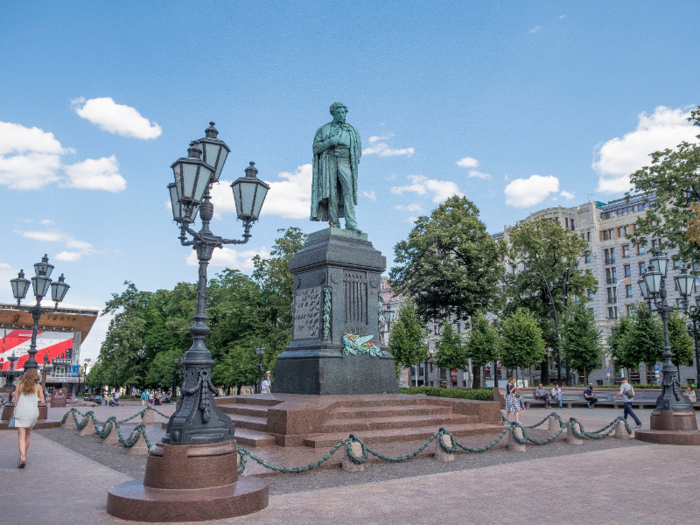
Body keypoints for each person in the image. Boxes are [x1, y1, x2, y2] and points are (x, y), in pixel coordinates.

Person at [311, 102, 363, 232]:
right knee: (331, 192)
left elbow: (357, 150)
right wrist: (330, 142)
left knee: (348, 191)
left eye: (343, 112)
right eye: (338, 112)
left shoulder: (352, 130)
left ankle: (351, 222)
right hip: (330, 159)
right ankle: (334, 222)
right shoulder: (324, 129)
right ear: (333, 114)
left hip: (345, 159)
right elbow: (316, 148)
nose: (341, 115)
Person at [11, 368, 45, 468]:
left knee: (21, 436)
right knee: (28, 435)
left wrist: (14, 395)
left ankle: (22, 457)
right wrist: (36, 398)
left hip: (21, 413)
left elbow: (14, 402)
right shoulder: (38, 387)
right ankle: (23, 456)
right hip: (33, 413)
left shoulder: (20, 386)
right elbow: (42, 401)